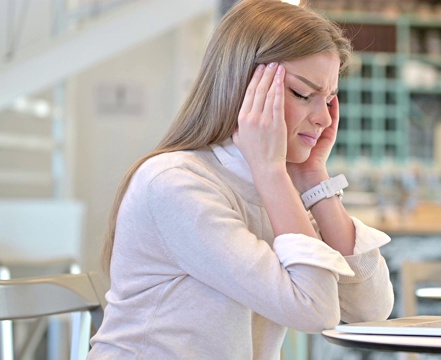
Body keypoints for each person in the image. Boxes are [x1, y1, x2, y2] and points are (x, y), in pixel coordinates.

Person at [88, 0, 394, 358]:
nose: (324, 119)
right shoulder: (175, 183)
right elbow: (315, 309)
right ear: (243, 89)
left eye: (328, 100)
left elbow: (371, 309)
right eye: (302, 94)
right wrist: (271, 171)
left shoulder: (270, 184)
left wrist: (314, 179)